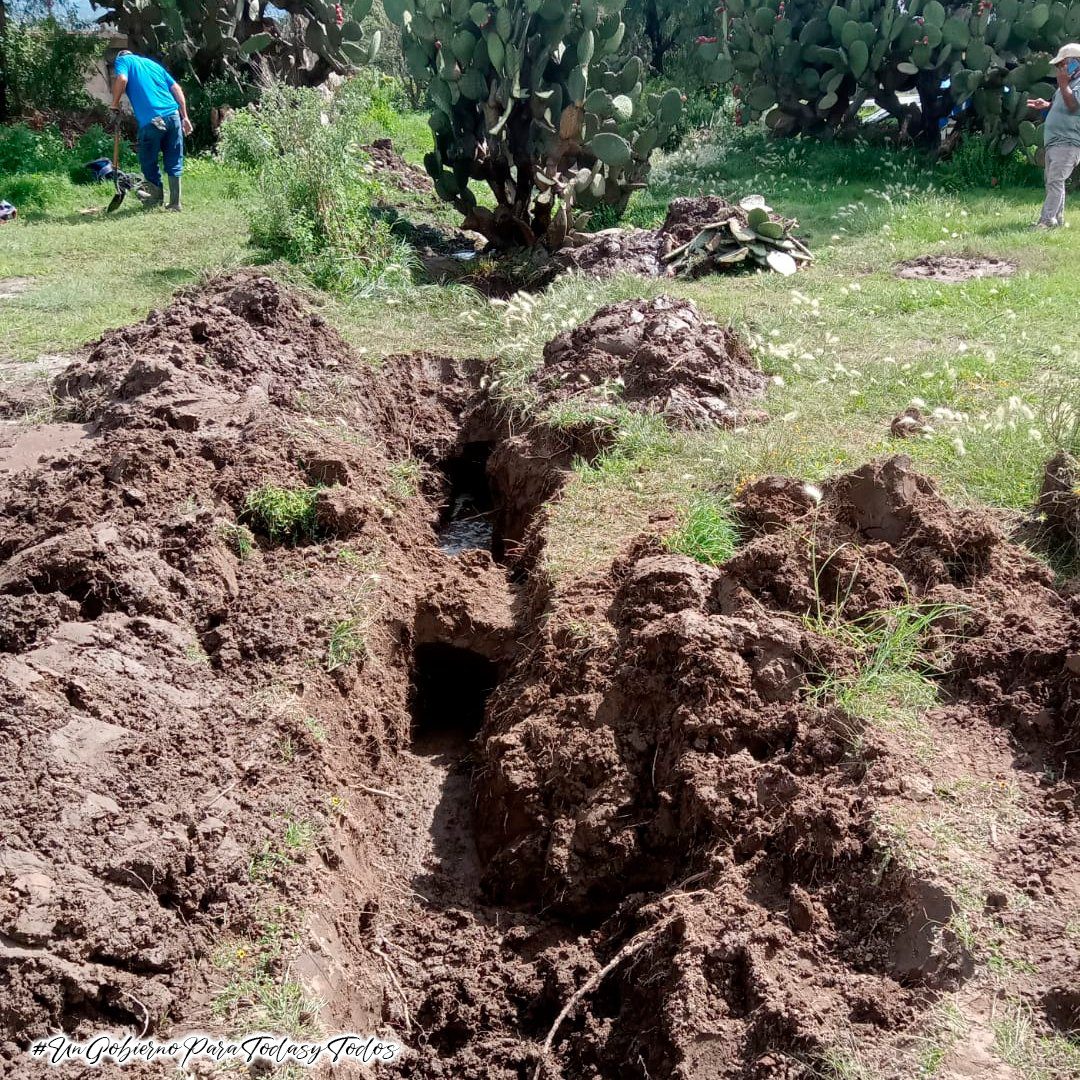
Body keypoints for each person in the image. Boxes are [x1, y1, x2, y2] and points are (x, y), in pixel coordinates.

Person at [110, 50, 193, 212]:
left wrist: (114, 104)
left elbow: (122, 78)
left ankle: (155, 199)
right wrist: (185, 117)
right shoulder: (152, 64)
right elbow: (176, 88)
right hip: (174, 116)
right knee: (174, 157)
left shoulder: (123, 61)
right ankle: (175, 203)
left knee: (148, 159)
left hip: (153, 119)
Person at [1028, 43, 1080, 228]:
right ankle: (1057, 219)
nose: (1059, 69)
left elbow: (1073, 105)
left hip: (1068, 143)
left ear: (1075, 62)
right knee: (1054, 182)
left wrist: (1063, 83)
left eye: (1062, 64)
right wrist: (1047, 105)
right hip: (1055, 142)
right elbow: (1065, 105)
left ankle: (1046, 220)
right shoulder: (1066, 86)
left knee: (1056, 181)